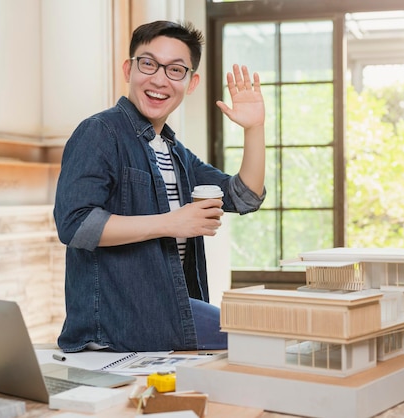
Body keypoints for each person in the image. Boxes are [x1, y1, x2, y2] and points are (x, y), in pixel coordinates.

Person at [53, 20, 265, 352]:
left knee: (261, 338)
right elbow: (75, 225)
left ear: (191, 83)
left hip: (169, 311)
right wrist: (172, 222)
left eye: (175, 70)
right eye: (149, 63)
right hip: (116, 323)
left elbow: (245, 196)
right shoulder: (99, 133)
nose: (159, 79)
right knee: (260, 339)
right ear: (129, 68)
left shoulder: (174, 152)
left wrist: (254, 128)